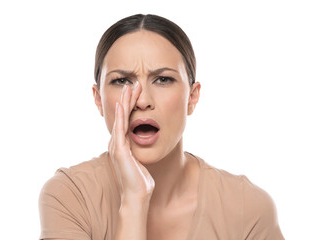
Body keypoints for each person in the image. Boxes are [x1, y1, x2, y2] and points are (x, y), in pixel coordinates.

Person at [38, 14, 284, 240]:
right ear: (98, 99)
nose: (143, 101)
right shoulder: (69, 197)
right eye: (122, 80)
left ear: (192, 97)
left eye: (163, 79)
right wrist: (134, 200)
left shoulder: (247, 208)